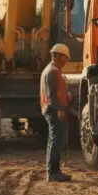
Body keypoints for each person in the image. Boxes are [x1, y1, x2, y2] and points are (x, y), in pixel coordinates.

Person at [40, 43, 73, 182]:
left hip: (52, 109)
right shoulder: (53, 72)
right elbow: (52, 95)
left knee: (54, 141)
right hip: (54, 110)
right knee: (56, 141)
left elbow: (56, 92)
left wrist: (66, 96)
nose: (66, 61)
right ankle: (53, 172)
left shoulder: (50, 70)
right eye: (65, 58)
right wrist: (60, 109)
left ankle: (54, 171)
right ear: (58, 56)